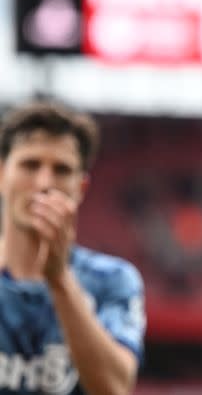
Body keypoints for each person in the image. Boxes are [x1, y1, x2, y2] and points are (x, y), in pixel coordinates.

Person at [0, 102, 145, 395]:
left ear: (80, 189)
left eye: (61, 170)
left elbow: (114, 387)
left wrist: (59, 278)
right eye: (30, 164)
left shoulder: (113, 280)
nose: (44, 183)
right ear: (2, 175)